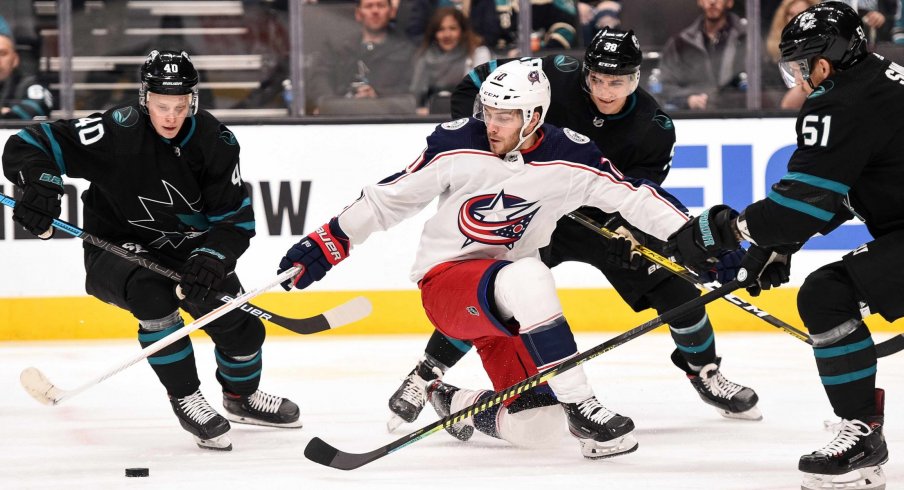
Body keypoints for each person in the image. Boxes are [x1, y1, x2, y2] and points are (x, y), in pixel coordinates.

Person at [278, 60, 694, 458]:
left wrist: (698, 238)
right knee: (529, 273)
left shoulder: (570, 157)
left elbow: (634, 196)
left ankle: (451, 398)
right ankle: (583, 405)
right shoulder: (457, 143)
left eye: (505, 117)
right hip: (448, 285)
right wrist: (326, 243)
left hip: (508, 314)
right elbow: (388, 200)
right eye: (488, 112)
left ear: (533, 118)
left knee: (539, 428)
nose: (491, 126)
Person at [386, 28, 759, 434]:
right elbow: (478, 81)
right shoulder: (553, 73)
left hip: (605, 223)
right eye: (596, 78)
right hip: (533, 211)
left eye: (617, 81)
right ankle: (425, 375)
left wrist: (630, 234)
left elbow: (641, 194)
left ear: (636, 78)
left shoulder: (655, 127)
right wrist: (476, 138)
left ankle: (704, 373)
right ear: (584, 71)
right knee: (492, 288)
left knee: (677, 290)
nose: (604, 90)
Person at [2, 50, 301, 451]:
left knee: (243, 330)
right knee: (152, 295)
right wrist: (40, 183)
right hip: (116, 250)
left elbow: (235, 220)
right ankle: (186, 397)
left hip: (187, 253)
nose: (171, 117)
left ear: (192, 100)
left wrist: (212, 258)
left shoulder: (216, 142)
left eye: (180, 106)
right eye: (162, 106)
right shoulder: (116, 131)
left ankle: (240, 397)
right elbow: (29, 142)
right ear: (145, 98)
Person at [664, 3, 899, 488]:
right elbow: (851, 188)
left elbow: (800, 205)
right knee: (828, 293)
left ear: (825, 63)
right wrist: (780, 244)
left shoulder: (842, 101)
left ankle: (862, 436)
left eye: (800, 66)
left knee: (825, 295)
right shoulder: (878, 79)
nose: (797, 78)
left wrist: (725, 231)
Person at [307, 0, 415, 113]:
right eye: (369, 6)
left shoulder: (407, 51)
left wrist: (378, 95)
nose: (375, 11)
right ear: (358, 14)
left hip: (389, 118)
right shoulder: (338, 48)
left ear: (392, 12)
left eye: (381, 5)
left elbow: (411, 89)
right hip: (341, 117)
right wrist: (331, 104)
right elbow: (320, 79)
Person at [658, 0, 748, 110]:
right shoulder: (681, 43)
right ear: (700, 1)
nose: (712, 1)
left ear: (729, 2)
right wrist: (687, 100)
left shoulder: (748, 40)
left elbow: (764, 86)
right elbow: (665, 87)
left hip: (740, 118)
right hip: (696, 120)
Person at [410, 7, 491, 115]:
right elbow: (415, 98)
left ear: (463, 31)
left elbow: (482, 97)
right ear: (434, 34)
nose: (447, 35)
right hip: (428, 119)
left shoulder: (478, 54)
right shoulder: (423, 58)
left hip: (466, 117)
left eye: (452, 28)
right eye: (441, 29)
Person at [764, 0, 820, 110]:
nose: (796, 20)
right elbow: (785, 105)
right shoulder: (770, 66)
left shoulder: (829, 57)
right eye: (791, 14)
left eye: (803, 14)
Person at [0, 16, 51, 120]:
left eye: (2, 53)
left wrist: (10, 114)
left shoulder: (29, 84)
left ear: (15, 59)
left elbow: (36, 106)